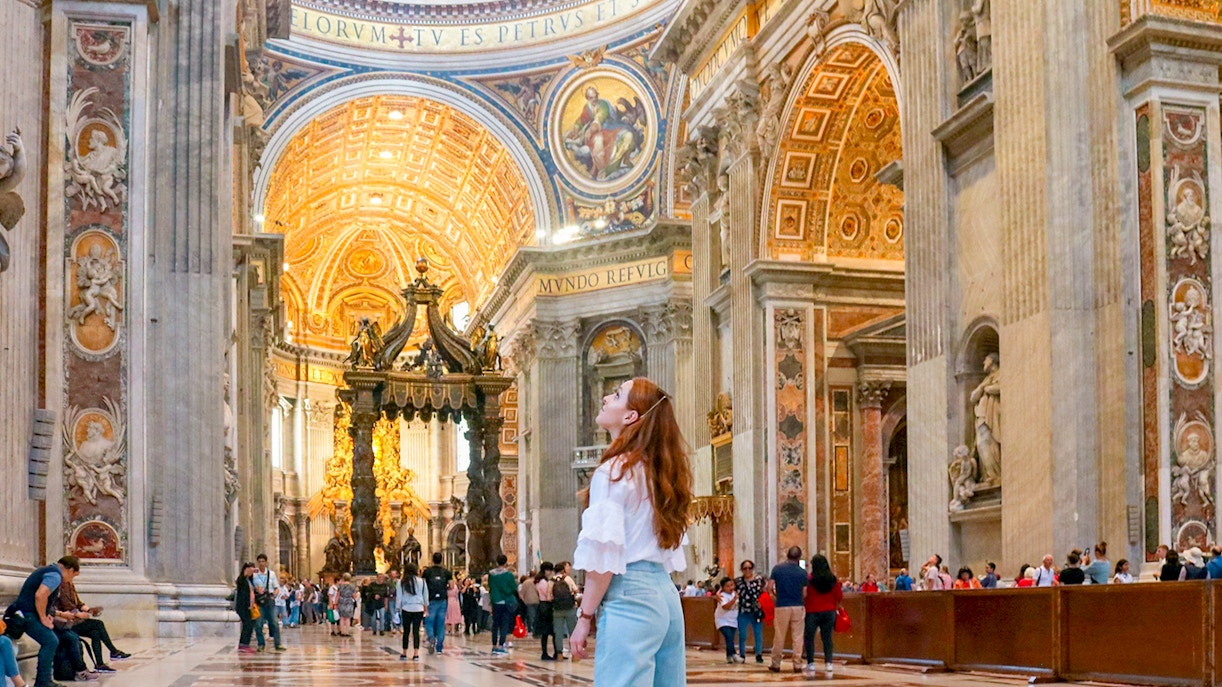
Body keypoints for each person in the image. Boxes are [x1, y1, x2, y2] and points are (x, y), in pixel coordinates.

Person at [568, 377, 694, 687]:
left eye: (616, 395)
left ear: (630, 416)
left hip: (631, 595)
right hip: (666, 596)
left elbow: (604, 558)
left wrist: (585, 617)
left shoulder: (614, 471)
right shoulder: (661, 473)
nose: (606, 398)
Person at [10, 555, 81, 687]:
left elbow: (41, 598)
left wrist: (48, 613)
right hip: (27, 614)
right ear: (70, 570)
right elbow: (40, 595)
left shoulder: (50, 571)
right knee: (50, 641)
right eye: (74, 576)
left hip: (26, 612)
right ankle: (43, 681)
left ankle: (44, 680)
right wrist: (43, 617)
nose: (71, 580)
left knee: (51, 640)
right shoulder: (55, 575)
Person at [56, 574, 128, 669]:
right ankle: (113, 651)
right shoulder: (61, 586)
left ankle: (99, 664)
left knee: (95, 633)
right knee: (98, 624)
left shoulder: (70, 584)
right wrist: (79, 614)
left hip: (75, 620)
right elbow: (67, 606)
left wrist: (89, 610)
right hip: (67, 622)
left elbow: (78, 603)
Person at [767, 546, 808, 674]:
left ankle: (776, 663)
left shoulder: (777, 569)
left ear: (787, 555)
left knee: (779, 635)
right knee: (798, 636)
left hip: (782, 605)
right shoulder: (802, 572)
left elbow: (769, 587)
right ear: (799, 557)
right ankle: (797, 664)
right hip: (798, 606)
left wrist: (775, 597)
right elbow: (805, 593)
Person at [803, 554, 842, 675]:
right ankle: (828, 663)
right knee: (827, 638)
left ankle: (811, 663)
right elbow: (839, 596)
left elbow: (805, 595)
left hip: (812, 611)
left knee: (809, 637)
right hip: (829, 611)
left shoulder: (809, 579)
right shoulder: (833, 579)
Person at [733, 559, 765, 663]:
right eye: (745, 568)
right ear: (741, 569)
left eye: (749, 568)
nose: (747, 570)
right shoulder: (737, 581)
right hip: (743, 610)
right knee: (742, 634)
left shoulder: (759, 580)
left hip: (756, 610)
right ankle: (742, 654)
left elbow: (764, 592)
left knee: (758, 633)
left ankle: (759, 654)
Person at [251, 554, 285, 652]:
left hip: (269, 600)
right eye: (259, 562)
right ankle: (261, 644)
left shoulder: (271, 574)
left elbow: (276, 588)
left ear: (266, 563)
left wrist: (274, 595)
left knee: (274, 622)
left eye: (263, 561)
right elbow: (250, 586)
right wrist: (256, 589)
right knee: (258, 624)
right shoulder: (254, 574)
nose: (261, 563)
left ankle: (278, 644)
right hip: (259, 601)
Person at [422, 551, 453, 654]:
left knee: (429, 621)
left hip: (430, 599)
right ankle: (439, 647)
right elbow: (452, 586)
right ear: (441, 560)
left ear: (432, 560)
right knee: (440, 623)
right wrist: (444, 588)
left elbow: (423, 586)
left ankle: (431, 637)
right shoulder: (447, 572)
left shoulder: (427, 572)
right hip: (442, 600)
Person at [396, 562, 427, 662]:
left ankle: (404, 652)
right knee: (416, 631)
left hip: (406, 608)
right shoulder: (422, 581)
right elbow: (425, 596)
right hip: (418, 608)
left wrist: (397, 608)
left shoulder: (401, 582)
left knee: (406, 631)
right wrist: (426, 607)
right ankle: (416, 653)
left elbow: (399, 597)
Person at [488, 554, 517, 655]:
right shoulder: (508, 575)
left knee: (495, 624)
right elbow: (513, 588)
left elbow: (490, 587)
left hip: (495, 600)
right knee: (504, 623)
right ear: (505, 563)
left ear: (497, 562)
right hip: (505, 601)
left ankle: (494, 645)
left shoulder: (491, 574)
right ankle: (501, 645)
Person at [551, 561, 579, 658]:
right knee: (572, 630)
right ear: (563, 570)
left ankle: (559, 654)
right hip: (569, 607)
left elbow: (548, 596)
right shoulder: (568, 578)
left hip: (557, 608)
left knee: (558, 631)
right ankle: (574, 654)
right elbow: (576, 590)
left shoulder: (551, 580)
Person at [534, 564, 559, 659]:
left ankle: (546, 652)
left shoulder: (538, 581)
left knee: (545, 632)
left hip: (541, 605)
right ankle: (555, 652)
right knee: (551, 630)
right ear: (546, 570)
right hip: (547, 606)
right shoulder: (544, 582)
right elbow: (548, 595)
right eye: (550, 570)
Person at [713, 577, 740, 664]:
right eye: (727, 586)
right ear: (723, 588)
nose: (730, 587)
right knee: (729, 637)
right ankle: (734, 654)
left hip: (733, 620)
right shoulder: (722, 595)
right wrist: (734, 599)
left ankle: (729, 656)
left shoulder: (735, 593)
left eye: (732, 585)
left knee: (730, 638)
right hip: (722, 620)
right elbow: (725, 607)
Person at [234, 562, 258, 653]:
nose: (252, 572)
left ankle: (245, 644)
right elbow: (242, 591)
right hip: (243, 606)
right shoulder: (241, 579)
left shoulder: (249, 580)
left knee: (249, 625)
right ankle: (243, 644)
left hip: (250, 606)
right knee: (247, 624)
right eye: (250, 569)